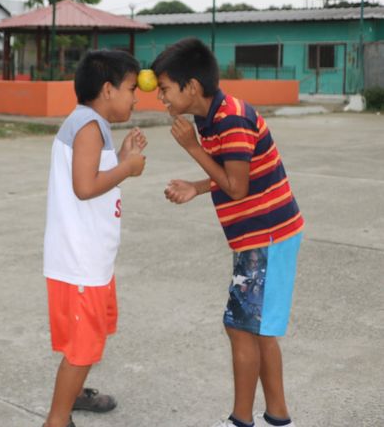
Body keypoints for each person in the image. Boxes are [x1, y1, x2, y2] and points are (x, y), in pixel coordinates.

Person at [153, 38, 303, 427]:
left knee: (240, 328)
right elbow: (235, 172)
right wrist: (196, 186)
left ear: (191, 87)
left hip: (266, 235)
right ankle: (278, 417)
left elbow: (236, 187)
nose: (161, 98)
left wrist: (192, 149)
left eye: (165, 89)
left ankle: (241, 420)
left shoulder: (231, 119)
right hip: (263, 235)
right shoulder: (213, 117)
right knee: (259, 331)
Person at [42, 49, 147, 427]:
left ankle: (73, 394)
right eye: (131, 89)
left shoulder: (90, 124)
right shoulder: (88, 127)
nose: (135, 99)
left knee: (89, 338)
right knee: (82, 348)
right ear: (107, 89)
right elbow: (85, 187)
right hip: (79, 263)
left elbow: (92, 177)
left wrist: (120, 158)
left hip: (90, 259)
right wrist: (128, 168)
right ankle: (56, 420)